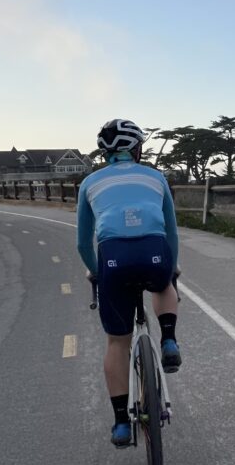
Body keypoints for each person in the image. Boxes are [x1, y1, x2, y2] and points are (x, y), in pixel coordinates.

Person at [77, 118, 181, 448]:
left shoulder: (89, 183)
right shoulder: (155, 177)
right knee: (164, 285)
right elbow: (172, 232)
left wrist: (96, 271)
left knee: (116, 343)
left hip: (112, 258)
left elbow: (82, 243)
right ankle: (168, 339)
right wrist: (172, 267)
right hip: (154, 250)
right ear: (137, 148)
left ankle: (122, 422)